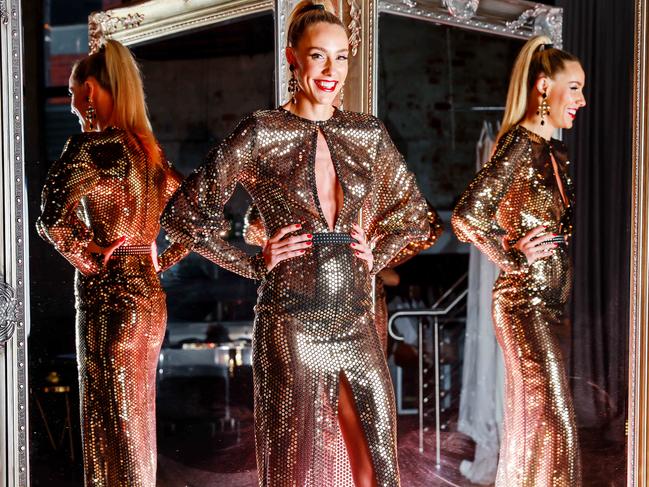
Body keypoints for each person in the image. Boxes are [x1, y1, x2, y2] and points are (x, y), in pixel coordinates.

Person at [161, 2, 430, 485]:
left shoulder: (366, 134)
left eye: (342, 57)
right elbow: (183, 218)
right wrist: (256, 263)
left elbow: (417, 218)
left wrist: (377, 254)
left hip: (355, 321)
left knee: (379, 470)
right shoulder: (262, 132)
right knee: (290, 469)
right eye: (318, 56)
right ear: (293, 57)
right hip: (290, 321)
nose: (332, 71)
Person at [37, 40, 188, 486]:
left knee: (108, 434)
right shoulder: (151, 155)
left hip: (109, 301)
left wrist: (90, 257)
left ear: (89, 90)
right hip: (151, 305)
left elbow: (50, 218)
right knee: (137, 430)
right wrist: (159, 256)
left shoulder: (92, 148)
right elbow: (200, 222)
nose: (70, 106)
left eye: (69, 94)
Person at [452, 35, 586, 486]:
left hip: (553, 305)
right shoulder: (518, 145)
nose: (582, 100)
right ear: (545, 87)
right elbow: (467, 216)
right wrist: (511, 255)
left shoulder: (555, 152)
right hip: (522, 302)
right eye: (575, 88)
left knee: (538, 424)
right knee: (557, 421)